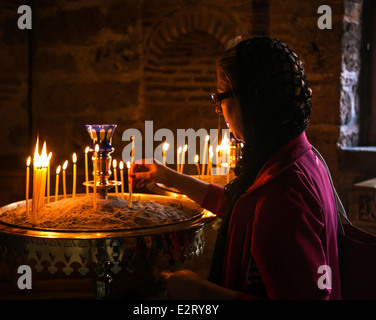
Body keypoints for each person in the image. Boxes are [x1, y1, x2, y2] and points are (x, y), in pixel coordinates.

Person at [132, 36, 341, 300]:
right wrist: (168, 177)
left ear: (253, 97)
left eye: (221, 96)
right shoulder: (295, 155)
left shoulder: (282, 192)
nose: (218, 109)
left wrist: (202, 292)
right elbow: (242, 210)